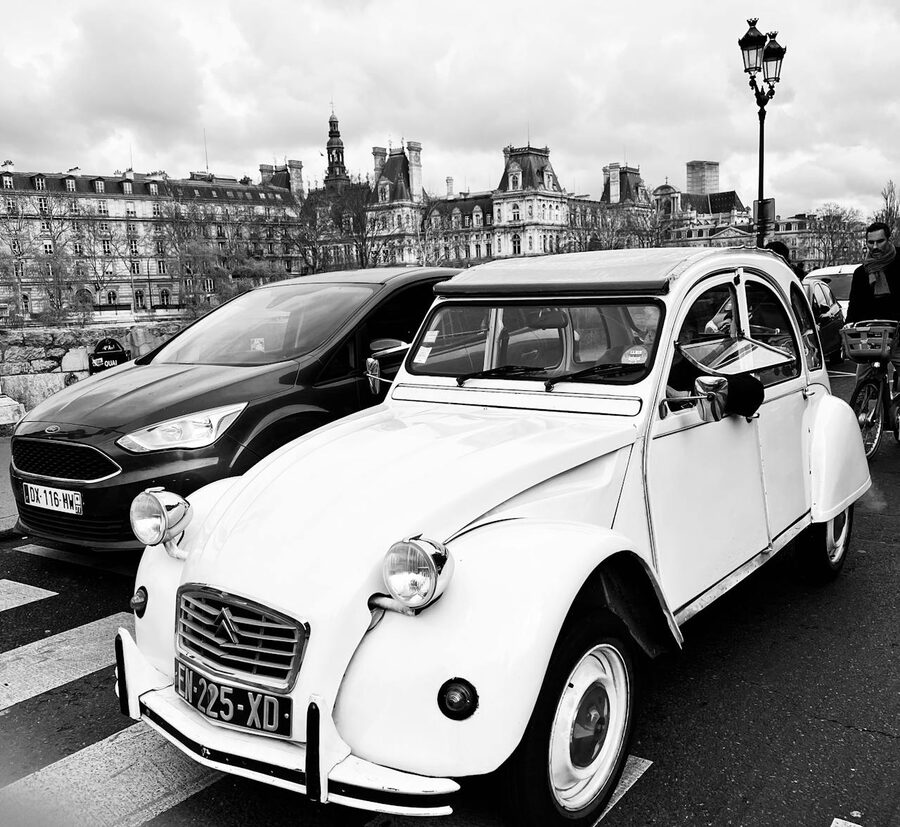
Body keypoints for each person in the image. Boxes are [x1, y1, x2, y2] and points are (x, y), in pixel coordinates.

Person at [845, 221, 900, 386]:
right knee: (862, 381)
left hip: (898, 334)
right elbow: (855, 302)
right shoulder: (861, 272)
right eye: (870, 242)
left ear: (889, 240)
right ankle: (862, 411)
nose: (875, 246)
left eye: (880, 241)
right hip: (872, 335)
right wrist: (849, 323)